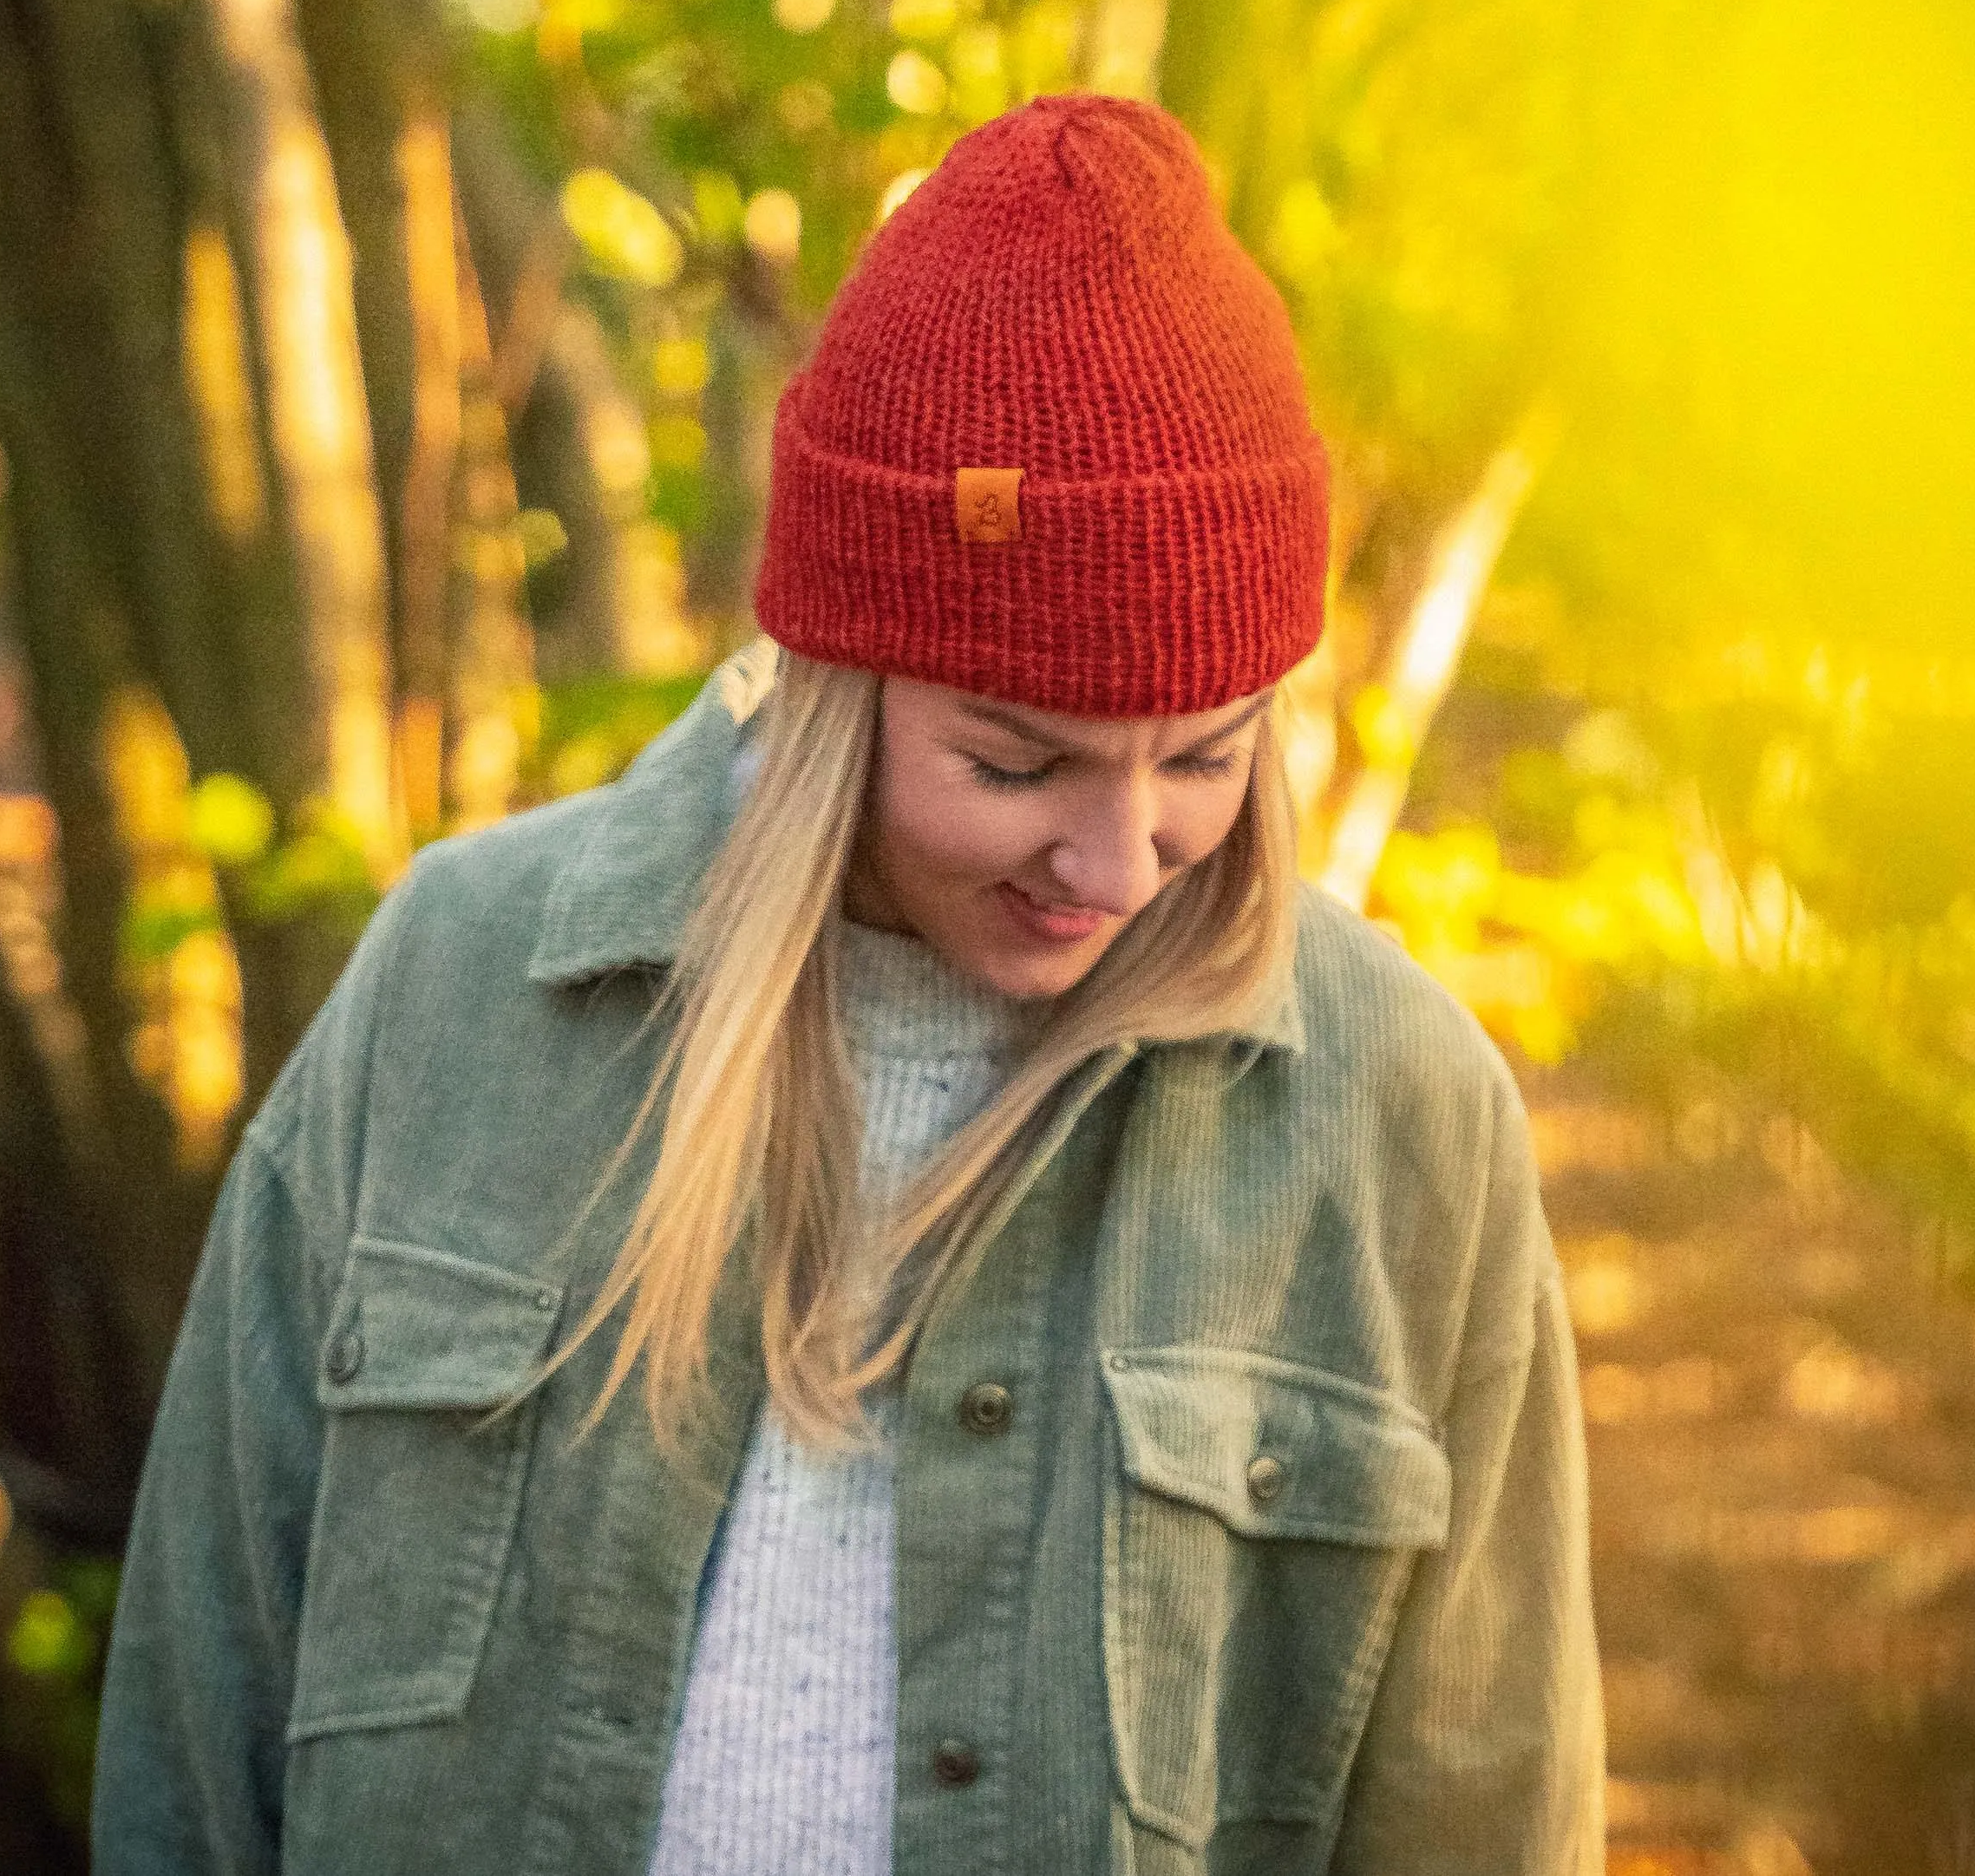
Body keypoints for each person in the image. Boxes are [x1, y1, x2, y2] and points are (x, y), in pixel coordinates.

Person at [91, 95, 1605, 1876]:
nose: (1117, 865)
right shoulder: (458, 993)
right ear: (839, 679)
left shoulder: (1392, 1113)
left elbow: (1481, 1817)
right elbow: (198, 1728)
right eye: (1019, 764)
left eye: (1201, 754)